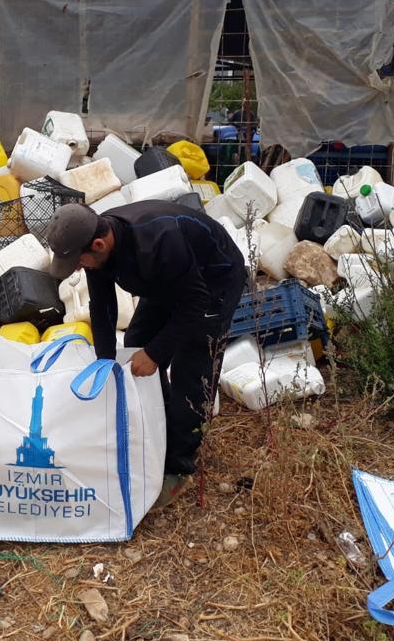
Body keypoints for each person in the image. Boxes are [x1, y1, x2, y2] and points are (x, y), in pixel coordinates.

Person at [47, 200, 247, 508]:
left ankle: (179, 466)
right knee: (136, 341)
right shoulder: (98, 248)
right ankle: (161, 425)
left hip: (212, 283)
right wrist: (105, 361)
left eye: (78, 262)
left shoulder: (158, 241)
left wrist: (155, 354)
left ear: (99, 245)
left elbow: (194, 302)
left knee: (191, 366)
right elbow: (102, 305)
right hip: (168, 281)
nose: (78, 268)